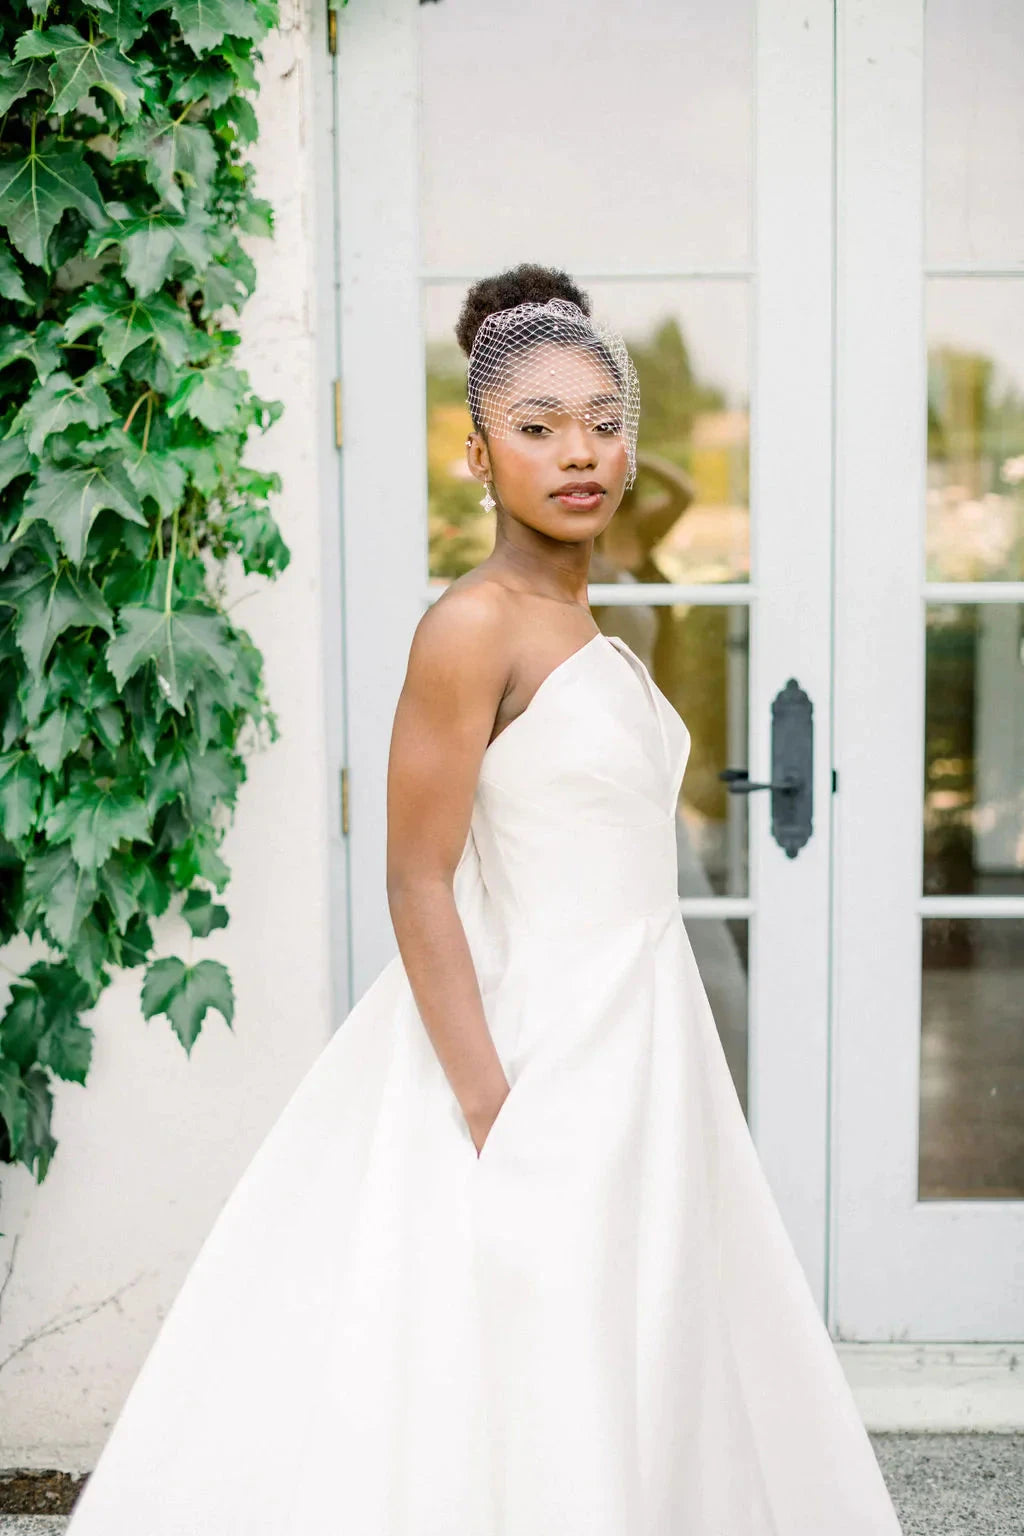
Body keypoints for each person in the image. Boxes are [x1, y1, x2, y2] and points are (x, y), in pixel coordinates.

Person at [64, 263, 904, 1534]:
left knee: (645, 1335)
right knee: (523, 1356)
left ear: (632, 453)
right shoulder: (472, 624)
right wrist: (490, 1106)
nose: (579, 450)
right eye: (537, 425)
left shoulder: (596, 624)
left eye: (604, 424)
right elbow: (415, 875)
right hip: (530, 1054)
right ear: (475, 454)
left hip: (644, 1039)